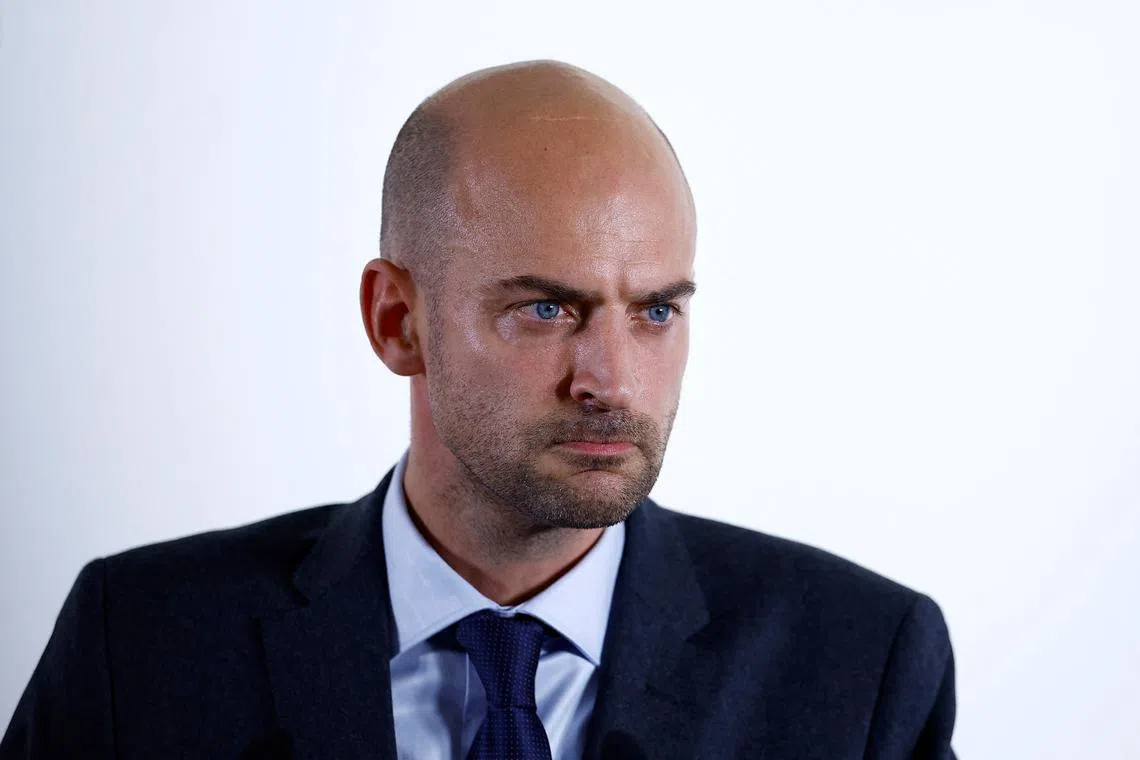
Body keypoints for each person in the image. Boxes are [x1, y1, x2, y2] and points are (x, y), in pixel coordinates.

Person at [1, 60, 956, 759]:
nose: (611, 381)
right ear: (396, 321)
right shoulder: (140, 646)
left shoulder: (862, 667)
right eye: (547, 309)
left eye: (656, 310)